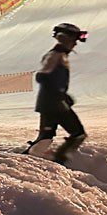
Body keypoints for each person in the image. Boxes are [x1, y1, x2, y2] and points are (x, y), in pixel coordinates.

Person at [24, 23, 88, 165]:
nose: (75, 44)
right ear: (66, 39)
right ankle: (59, 161)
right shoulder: (55, 55)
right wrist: (60, 95)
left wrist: (61, 95)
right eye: (74, 40)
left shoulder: (59, 54)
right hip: (55, 104)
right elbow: (42, 76)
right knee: (77, 133)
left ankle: (27, 160)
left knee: (46, 136)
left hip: (52, 103)